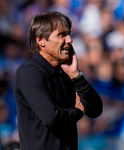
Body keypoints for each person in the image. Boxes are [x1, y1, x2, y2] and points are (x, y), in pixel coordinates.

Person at [13, 11, 103, 150]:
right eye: (62, 35)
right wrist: (78, 112)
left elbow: (95, 110)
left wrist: (76, 76)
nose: (69, 40)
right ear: (40, 40)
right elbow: (52, 118)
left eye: (69, 34)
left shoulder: (66, 72)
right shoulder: (29, 72)